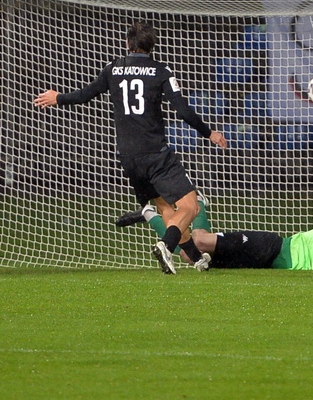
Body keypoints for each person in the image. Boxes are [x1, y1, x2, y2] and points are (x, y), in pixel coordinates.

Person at [34, 20, 228, 275]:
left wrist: (57, 97)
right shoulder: (162, 71)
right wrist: (209, 133)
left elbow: (84, 95)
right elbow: (183, 111)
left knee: (168, 211)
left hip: (128, 158)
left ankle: (195, 258)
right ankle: (165, 247)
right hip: (156, 154)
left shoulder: (113, 68)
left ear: (127, 44)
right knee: (190, 207)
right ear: (152, 45)